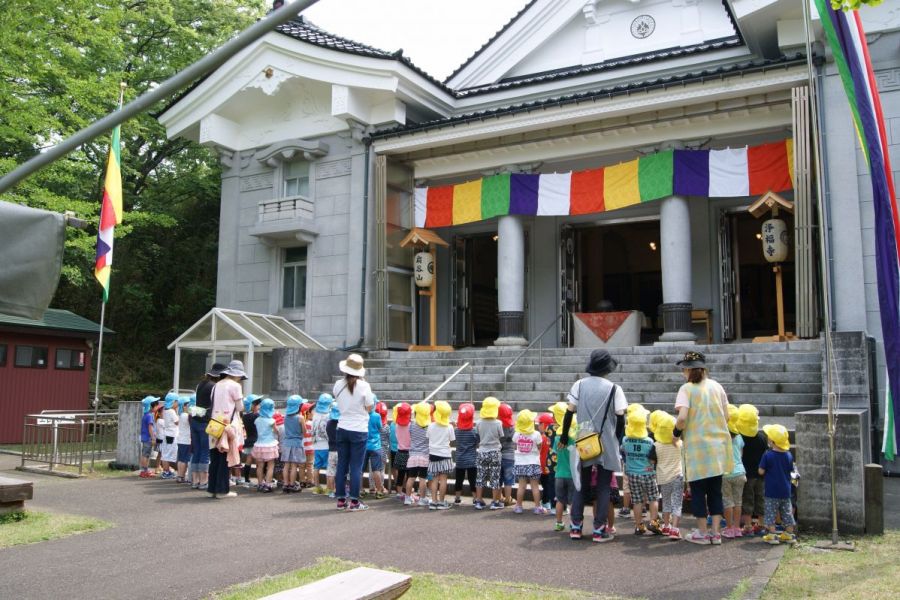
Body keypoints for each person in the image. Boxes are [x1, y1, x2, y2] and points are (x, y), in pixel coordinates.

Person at [558, 349, 627, 543]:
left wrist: (564, 436)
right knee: (604, 486)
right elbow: (621, 417)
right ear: (607, 368)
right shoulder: (615, 389)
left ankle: (575, 527)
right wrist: (618, 439)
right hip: (607, 441)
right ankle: (599, 529)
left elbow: (569, 412)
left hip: (585, 439)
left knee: (582, 483)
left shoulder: (579, 385)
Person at [673, 351, 733, 545]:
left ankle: (702, 532)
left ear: (689, 370)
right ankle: (716, 533)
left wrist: (675, 433)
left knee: (698, 492)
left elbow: (682, 418)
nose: (683, 372)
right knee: (716, 491)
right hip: (717, 448)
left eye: (684, 369)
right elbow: (727, 415)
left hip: (697, 448)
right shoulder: (717, 386)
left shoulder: (687, 389)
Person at [333, 353, 375, 511]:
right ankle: (355, 501)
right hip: (359, 429)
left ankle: (341, 500)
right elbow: (370, 407)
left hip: (342, 426)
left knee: (342, 464)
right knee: (356, 467)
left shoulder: (338, 384)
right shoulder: (364, 386)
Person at [207, 360, 246, 499]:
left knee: (215, 458)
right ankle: (222, 490)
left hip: (214, 425)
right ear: (238, 374)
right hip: (227, 426)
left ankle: (212, 488)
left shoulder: (217, 385)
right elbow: (240, 407)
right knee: (225, 458)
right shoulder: (235, 386)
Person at [622, 405, 662, 535]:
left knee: (637, 501)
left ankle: (639, 525)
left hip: (632, 474)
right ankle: (654, 522)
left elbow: (623, 452)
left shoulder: (625, 440)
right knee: (653, 498)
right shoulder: (649, 441)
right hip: (648, 473)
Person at [758, 424, 797, 545]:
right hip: (786, 490)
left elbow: (761, 471)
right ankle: (789, 534)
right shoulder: (789, 455)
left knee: (770, 512)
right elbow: (791, 470)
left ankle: (772, 535)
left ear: (772, 441)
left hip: (771, 491)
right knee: (787, 513)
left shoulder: (768, 455)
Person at [189, 363, 223, 490]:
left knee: (196, 451)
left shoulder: (200, 384)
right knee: (205, 452)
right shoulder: (214, 386)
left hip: (195, 420)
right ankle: (203, 481)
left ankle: (195, 480)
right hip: (206, 422)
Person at [651, 411, 684, 541]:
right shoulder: (679, 444)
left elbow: (652, 461)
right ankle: (675, 529)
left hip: (663, 478)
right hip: (677, 476)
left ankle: (666, 526)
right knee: (677, 503)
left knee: (665, 502)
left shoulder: (656, 445)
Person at [737, 404, 768, 535]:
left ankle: (748, 526)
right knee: (761, 498)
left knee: (747, 499)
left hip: (746, 475)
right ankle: (761, 524)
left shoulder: (739, 439)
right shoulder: (762, 437)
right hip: (761, 475)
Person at [512, 409, 547, 515]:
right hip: (533, 463)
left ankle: (518, 506)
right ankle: (537, 507)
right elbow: (540, 446)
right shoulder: (536, 434)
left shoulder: (517, 434)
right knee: (535, 486)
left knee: (521, 486)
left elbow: (515, 443)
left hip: (520, 463)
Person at [475, 397, 504, 510]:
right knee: (495, 477)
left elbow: (477, 435)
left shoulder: (478, 423)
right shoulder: (498, 423)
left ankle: (478, 500)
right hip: (495, 452)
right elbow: (500, 436)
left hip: (482, 451)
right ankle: (495, 501)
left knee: (480, 476)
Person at [549, 402, 575, 531]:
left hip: (559, 473)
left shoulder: (558, 438)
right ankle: (574, 524)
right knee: (573, 501)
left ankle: (559, 523)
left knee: (560, 500)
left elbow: (555, 451)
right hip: (572, 475)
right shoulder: (575, 437)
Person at [722, 405, 747, 538]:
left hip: (726, 473)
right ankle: (737, 528)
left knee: (727, 501)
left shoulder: (721, 437)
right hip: (740, 472)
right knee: (738, 502)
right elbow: (741, 454)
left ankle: (729, 527)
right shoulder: (739, 437)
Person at [426, 401, 455, 510]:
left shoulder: (431, 426)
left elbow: (428, 437)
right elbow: (452, 440)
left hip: (433, 454)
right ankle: (442, 502)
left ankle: (433, 502)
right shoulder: (449, 427)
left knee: (434, 479)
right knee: (443, 479)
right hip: (445, 455)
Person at [404, 401, 432, 507]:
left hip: (413, 455)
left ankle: (407, 498)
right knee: (422, 479)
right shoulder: (429, 426)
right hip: (425, 455)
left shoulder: (412, 425)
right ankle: (422, 499)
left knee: (411, 477)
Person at [252, 398, 279, 493]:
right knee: (270, 466)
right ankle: (267, 484)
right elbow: (276, 431)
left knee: (259, 466)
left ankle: (260, 483)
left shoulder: (257, 420)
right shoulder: (271, 421)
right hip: (269, 445)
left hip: (259, 444)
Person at [280, 395, 306, 493]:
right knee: (294, 465)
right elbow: (304, 431)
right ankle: (292, 484)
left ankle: (285, 484)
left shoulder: (285, 417)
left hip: (286, 443)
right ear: (298, 406)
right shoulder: (300, 418)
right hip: (296, 443)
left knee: (286, 465)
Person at [453, 402, 477, 505]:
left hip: (460, 459)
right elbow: (477, 441)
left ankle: (457, 498)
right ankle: (475, 498)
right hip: (472, 460)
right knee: (473, 480)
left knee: (459, 479)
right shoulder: (474, 431)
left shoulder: (456, 431)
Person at [311, 394, 333, 494]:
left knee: (316, 466)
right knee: (329, 467)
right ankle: (329, 488)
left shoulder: (315, 414)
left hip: (316, 445)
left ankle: (316, 486)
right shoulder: (329, 416)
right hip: (327, 445)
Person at [240, 395, 262, 488]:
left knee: (249, 460)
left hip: (249, 440)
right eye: (257, 404)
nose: (258, 406)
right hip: (256, 440)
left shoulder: (245, 416)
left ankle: (246, 479)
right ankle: (260, 480)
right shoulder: (256, 416)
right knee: (258, 461)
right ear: (252, 406)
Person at [365, 409, 386, 498]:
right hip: (375, 446)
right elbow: (380, 428)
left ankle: (360, 490)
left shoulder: (362, 414)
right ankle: (379, 490)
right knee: (376, 470)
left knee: (360, 470)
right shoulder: (376, 416)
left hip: (363, 445)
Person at [536, 412, 555, 511]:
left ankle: (545, 502)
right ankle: (549, 501)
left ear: (543, 425)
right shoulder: (552, 437)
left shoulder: (542, 438)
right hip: (551, 465)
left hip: (542, 465)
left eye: (539, 424)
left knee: (546, 485)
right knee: (549, 484)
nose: (538, 426)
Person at [498, 403, 516, 506]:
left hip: (498, 455)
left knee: (499, 478)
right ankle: (508, 499)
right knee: (508, 480)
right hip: (510, 457)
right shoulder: (512, 427)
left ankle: (499, 497)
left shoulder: (497, 425)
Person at [139, 396, 160, 478]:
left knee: (146, 454)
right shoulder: (149, 416)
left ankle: (145, 470)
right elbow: (150, 428)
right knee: (146, 454)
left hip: (145, 437)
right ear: (151, 406)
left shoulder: (146, 415)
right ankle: (144, 470)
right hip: (148, 438)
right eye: (156, 405)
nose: (157, 407)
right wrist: (153, 438)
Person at [394, 403, 411, 500]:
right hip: (409, 452)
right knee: (409, 475)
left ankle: (399, 492)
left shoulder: (396, 425)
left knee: (401, 474)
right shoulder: (410, 425)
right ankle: (409, 493)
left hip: (400, 451)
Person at [160, 392, 179, 479]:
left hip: (166, 434)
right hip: (172, 434)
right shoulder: (171, 411)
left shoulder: (165, 410)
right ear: (173, 402)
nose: (178, 404)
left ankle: (165, 471)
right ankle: (167, 472)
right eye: (177, 402)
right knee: (169, 454)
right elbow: (177, 422)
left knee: (165, 454)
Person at [175, 396, 192, 483]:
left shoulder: (181, 415)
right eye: (188, 405)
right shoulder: (186, 416)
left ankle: (179, 476)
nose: (189, 406)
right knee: (185, 460)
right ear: (183, 406)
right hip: (186, 440)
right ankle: (182, 476)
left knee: (181, 459)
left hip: (181, 440)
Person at [325, 404, 340, 497]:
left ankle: (331, 491)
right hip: (340, 450)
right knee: (340, 471)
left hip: (331, 450)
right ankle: (339, 490)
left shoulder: (329, 423)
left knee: (331, 471)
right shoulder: (342, 423)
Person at [300, 402, 315, 487]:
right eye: (312, 411)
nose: (313, 413)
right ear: (307, 413)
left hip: (301, 447)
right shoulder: (311, 423)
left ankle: (302, 481)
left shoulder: (301, 422)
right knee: (309, 465)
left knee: (301, 465)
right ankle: (310, 481)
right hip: (310, 447)